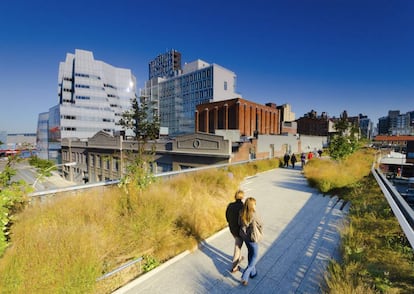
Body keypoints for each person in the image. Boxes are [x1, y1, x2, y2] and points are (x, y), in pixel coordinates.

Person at [239, 197, 263, 286]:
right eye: (255, 204)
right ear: (252, 205)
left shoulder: (241, 213)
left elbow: (239, 223)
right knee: (255, 256)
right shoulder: (254, 214)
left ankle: (253, 273)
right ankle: (245, 276)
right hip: (253, 238)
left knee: (250, 253)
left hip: (245, 238)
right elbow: (260, 224)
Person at [225, 190, 245, 273]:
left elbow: (226, 216)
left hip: (232, 229)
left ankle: (239, 258)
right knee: (238, 247)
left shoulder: (230, 205)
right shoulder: (243, 207)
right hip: (239, 230)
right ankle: (234, 267)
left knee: (238, 244)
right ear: (242, 197)